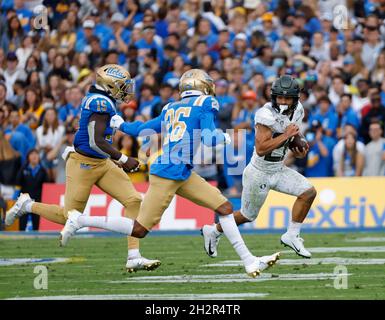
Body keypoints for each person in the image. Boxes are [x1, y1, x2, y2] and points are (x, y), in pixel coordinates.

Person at [60, 69, 280, 278]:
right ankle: (80, 220)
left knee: (224, 207)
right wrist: (227, 138)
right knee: (139, 230)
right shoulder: (205, 102)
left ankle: (247, 258)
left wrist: (122, 124)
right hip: (168, 173)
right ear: (202, 87)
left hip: (180, 170)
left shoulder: (170, 107)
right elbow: (209, 138)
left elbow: (142, 129)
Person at [5, 64, 160, 273]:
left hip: (102, 162)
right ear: (109, 84)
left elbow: (101, 138)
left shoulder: (103, 99)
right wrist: (123, 159)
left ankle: (134, 256)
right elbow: (95, 141)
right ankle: (26, 205)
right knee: (66, 216)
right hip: (83, 163)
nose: (126, 89)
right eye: (122, 85)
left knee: (133, 200)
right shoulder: (100, 102)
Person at [202, 75, 317, 259]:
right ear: (274, 97)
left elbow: (293, 132)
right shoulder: (265, 114)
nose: (283, 101)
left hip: (278, 169)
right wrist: (286, 135)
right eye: (280, 97)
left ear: (296, 100)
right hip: (259, 172)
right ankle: (213, 230)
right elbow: (261, 148)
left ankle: (292, 235)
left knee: (308, 193)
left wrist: (299, 143)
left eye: (287, 98)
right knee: (247, 215)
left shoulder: (298, 111)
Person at [14, 149, 49, 231]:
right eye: (32, 154)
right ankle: (21, 237)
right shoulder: (23, 170)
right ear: (28, 157)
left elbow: (46, 186)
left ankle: (36, 238)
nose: (34, 156)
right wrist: (15, 196)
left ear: (39, 157)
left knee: (36, 221)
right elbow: (18, 184)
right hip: (24, 201)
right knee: (22, 222)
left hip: (37, 200)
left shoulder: (43, 171)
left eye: (36, 154)